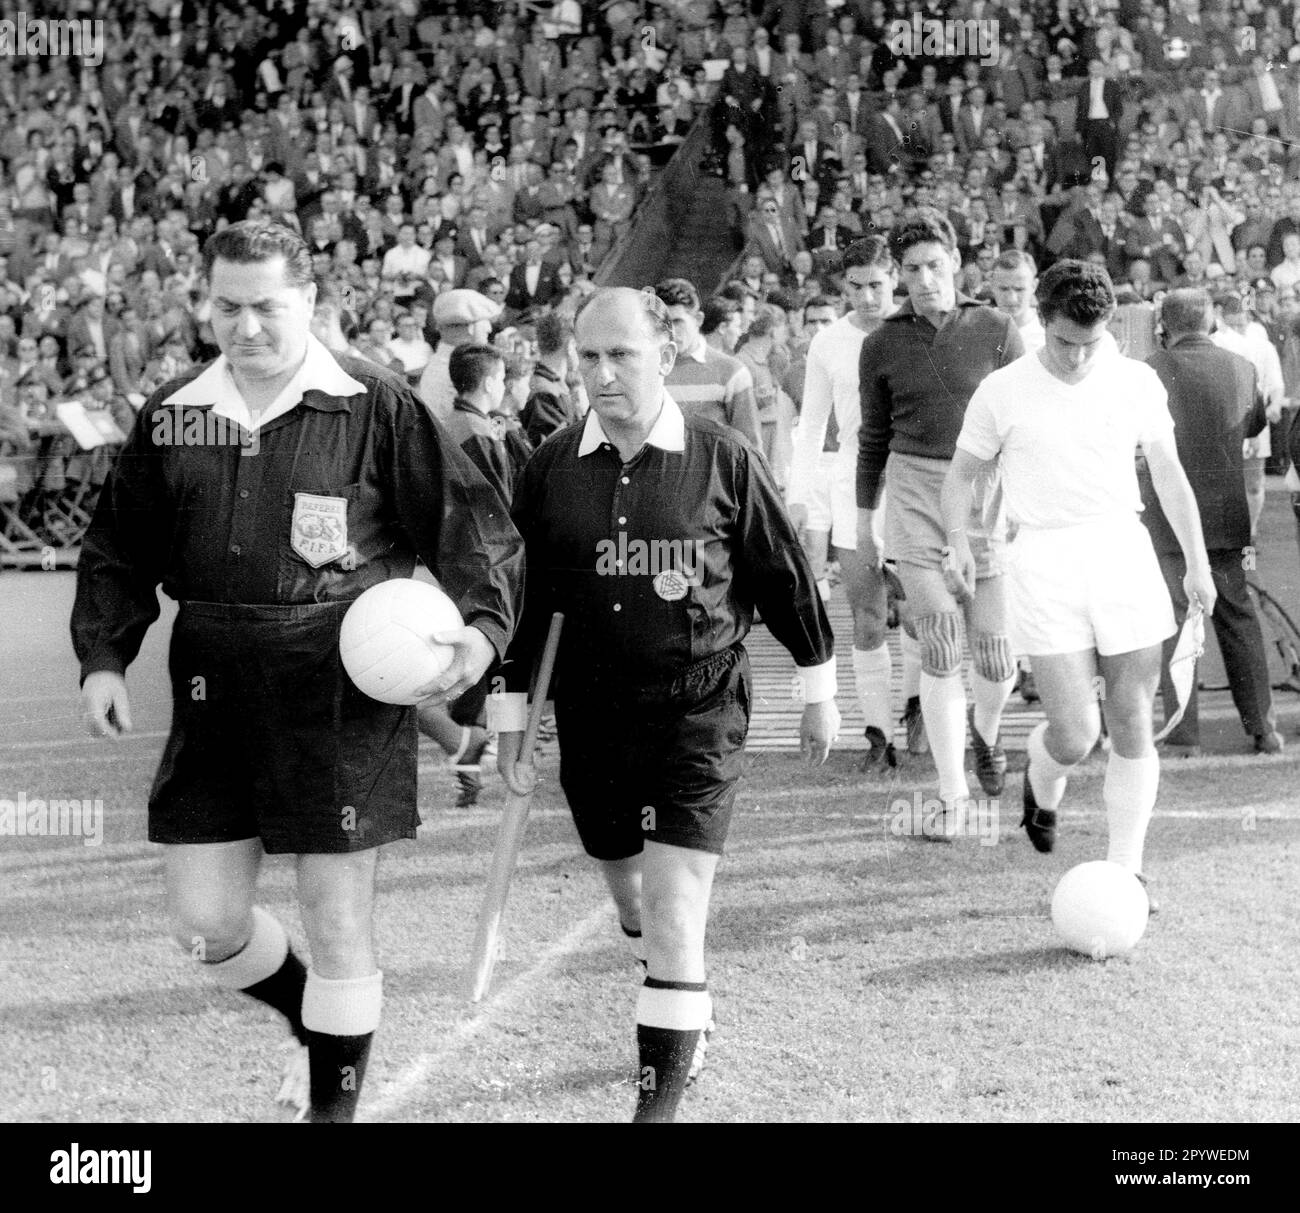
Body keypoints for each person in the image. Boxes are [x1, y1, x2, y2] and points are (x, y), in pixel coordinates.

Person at [71, 220, 523, 1123]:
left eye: (266, 307)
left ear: (309, 302)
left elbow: (474, 528)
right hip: (213, 684)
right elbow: (119, 545)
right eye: (228, 307)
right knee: (206, 926)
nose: (245, 327)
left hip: (336, 692)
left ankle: (332, 1109)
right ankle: (317, 1025)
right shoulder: (177, 411)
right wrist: (105, 656)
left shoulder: (374, 402)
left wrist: (479, 633)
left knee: (336, 913)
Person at [490, 287, 839, 1123]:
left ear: (667, 354)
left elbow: (782, 573)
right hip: (591, 710)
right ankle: (681, 993)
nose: (604, 374)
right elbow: (519, 601)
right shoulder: (546, 470)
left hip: (700, 705)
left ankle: (658, 1105)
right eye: (589, 357)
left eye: (624, 355)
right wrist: (511, 719)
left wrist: (818, 683)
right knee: (634, 899)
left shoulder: (720, 457)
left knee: (678, 910)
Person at [942, 261, 1216, 904]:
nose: (1076, 356)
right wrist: (958, 542)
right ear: (1041, 321)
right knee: (1074, 732)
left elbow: (1171, 477)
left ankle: (1129, 870)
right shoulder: (1003, 390)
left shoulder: (1137, 381)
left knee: (1130, 721)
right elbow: (961, 477)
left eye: (1090, 343)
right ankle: (1043, 779)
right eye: (1064, 342)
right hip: (1042, 559)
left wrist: (1198, 563)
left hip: (1122, 548)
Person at [857, 209, 1025, 834]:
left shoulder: (997, 328)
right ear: (898, 276)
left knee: (995, 656)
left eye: (934, 265)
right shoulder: (882, 342)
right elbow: (873, 438)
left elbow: (1023, 425)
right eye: (911, 269)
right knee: (941, 644)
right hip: (913, 494)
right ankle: (952, 799)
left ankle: (986, 731)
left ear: (955, 261)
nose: (924, 279)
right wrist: (863, 515)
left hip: (984, 495)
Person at [789, 237, 923, 769]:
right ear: (842, 286)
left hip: (911, 479)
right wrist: (800, 498)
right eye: (856, 286)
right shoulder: (829, 343)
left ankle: (917, 706)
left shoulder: (919, 330)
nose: (867, 296)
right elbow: (811, 428)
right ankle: (877, 734)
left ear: (894, 280)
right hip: (851, 484)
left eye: (877, 284)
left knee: (916, 613)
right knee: (866, 618)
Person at [1141, 289, 1283, 756]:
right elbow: (1255, 426)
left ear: (1165, 325)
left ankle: (1184, 734)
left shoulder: (1150, 370)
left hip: (1167, 516)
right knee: (1237, 619)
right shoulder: (1242, 367)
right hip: (1225, 512)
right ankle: (1262, 728)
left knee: (1176, 621)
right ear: (1213, 323)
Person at [654, 277, 761, 450]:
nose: (671, 331)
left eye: (677, 322)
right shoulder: (648, 370)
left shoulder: (732, 372)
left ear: (698, 319)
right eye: (663, 324)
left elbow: (751, 449)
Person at [417, 288, 501, 423]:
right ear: (470, 328)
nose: (489, 329)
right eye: (484, 322)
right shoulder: (454, 368)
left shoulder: (446, 363)